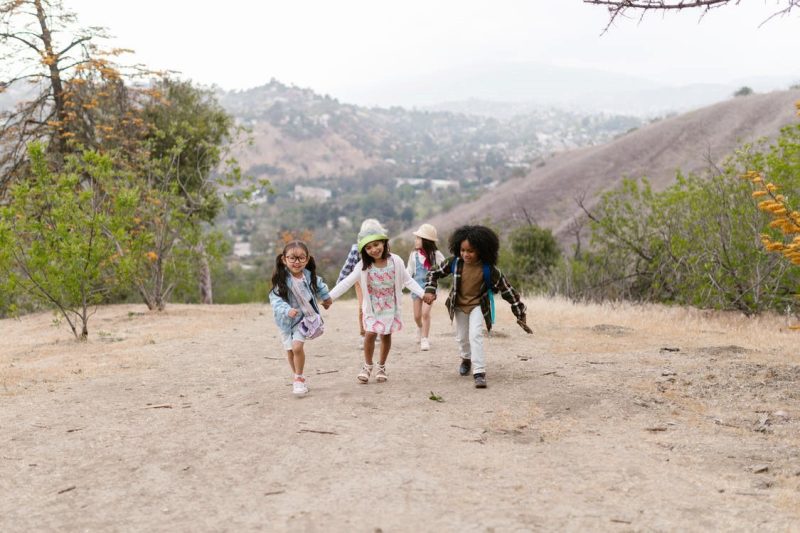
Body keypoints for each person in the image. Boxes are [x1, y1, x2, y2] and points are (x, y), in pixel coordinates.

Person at [423, 225, 532, 389]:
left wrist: (520, 313)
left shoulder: (489, 270)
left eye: (471, 251)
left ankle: (479, 372)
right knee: (462, 337)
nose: (466, 254)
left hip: (478, 305)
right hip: (459, 305)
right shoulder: (454, 263)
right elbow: (433, 272)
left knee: (475, 335)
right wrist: (430, 290)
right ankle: (466, 359)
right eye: (462, 250)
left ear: (481, 250)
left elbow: (508, 290)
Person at [329, 221, 424, 383]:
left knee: (386, 335)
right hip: (372, 307)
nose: (373, 249)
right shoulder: (363, 266)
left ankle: (381, 366)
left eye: (376, 244)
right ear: (364, 251)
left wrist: (422, 293)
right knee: (370, 333)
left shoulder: (396, 261)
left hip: (390, 306)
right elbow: (347, 282)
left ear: (384, 243)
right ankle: (367, 365)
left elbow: (408, 280)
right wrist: (330, 297)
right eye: (368, 247)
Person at [269, 240, 332, 396]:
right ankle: (299, 377)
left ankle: (298, 379)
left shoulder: (309, 277)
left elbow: (320, 286)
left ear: (307, 259)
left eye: (301, 258)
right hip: (286, 322)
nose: (297, 262)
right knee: (291, 351)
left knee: (297, 347)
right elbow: (275, 300)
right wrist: (287, 310)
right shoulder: (281, 280)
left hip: (304, 320)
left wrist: (326, 298)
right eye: (292, 258)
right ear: (284, 259)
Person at [336, 218, 383, 349]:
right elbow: (348, 266)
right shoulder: (356, 249)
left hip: (378, 280)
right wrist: (339, 285)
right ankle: (363, 335)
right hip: (361, 281)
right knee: (363, 306)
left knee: (378, 305)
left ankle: (375, 330)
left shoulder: (382, 247)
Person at [406, 223, 446, 351]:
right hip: (416, 287)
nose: (416, 240)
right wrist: (401, 284)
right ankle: (419, 327)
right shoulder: (414, 255)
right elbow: (408, 271)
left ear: (426, 241)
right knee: (417, 316)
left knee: (425, 313)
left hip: (430, 288)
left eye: (418, 238)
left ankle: (425, 338)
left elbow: (445, 267)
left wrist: (438, 275)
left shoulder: (436, 255)